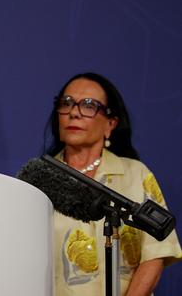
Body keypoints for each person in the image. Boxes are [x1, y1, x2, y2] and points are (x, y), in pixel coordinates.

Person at [42, 72, 181, 295]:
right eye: (66, 103)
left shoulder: (135, 174)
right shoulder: (39, 181)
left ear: (110, 123)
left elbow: (155, 254)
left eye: (88, 105)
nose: (74, 113)